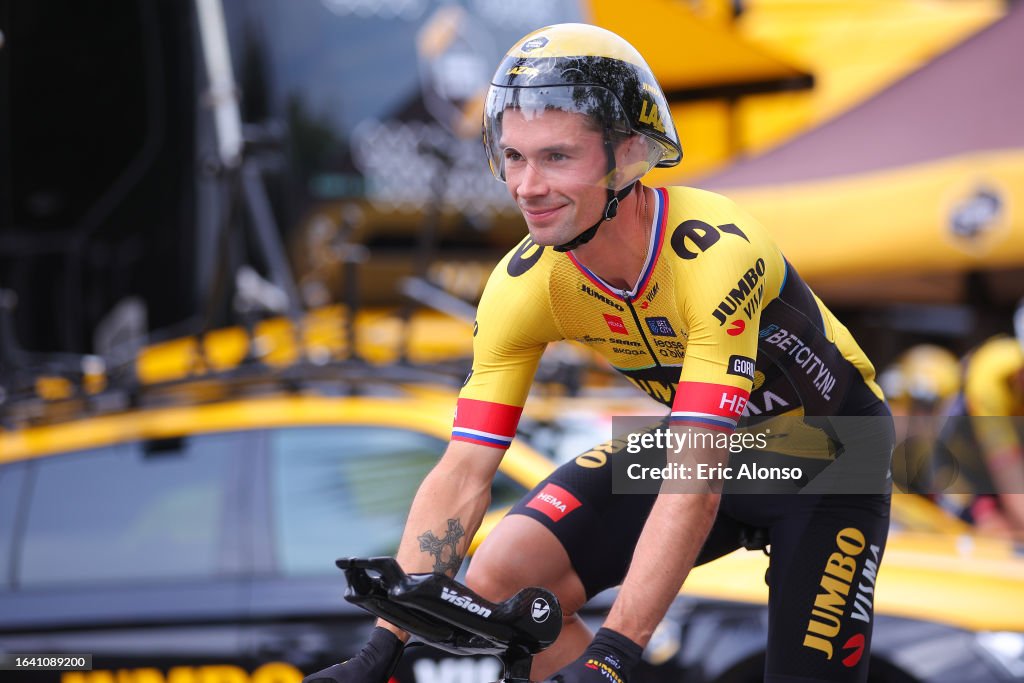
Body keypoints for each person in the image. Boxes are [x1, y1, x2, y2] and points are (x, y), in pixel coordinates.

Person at [304, 23, 894, 683]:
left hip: (830, 454)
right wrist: (382, 649)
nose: (527, 186)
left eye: (557, 157)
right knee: (502, 571)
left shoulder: (715, 254)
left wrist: (612, 655)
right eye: (514, 156)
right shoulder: (527, 284)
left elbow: (692, 487)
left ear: (629, 156)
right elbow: (464, 469)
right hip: (714, 443)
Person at [934, 303, 1024, 538]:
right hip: (950, 471)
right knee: (999, 533)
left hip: (989, 471)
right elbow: (1009, 476)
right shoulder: (990, 376)